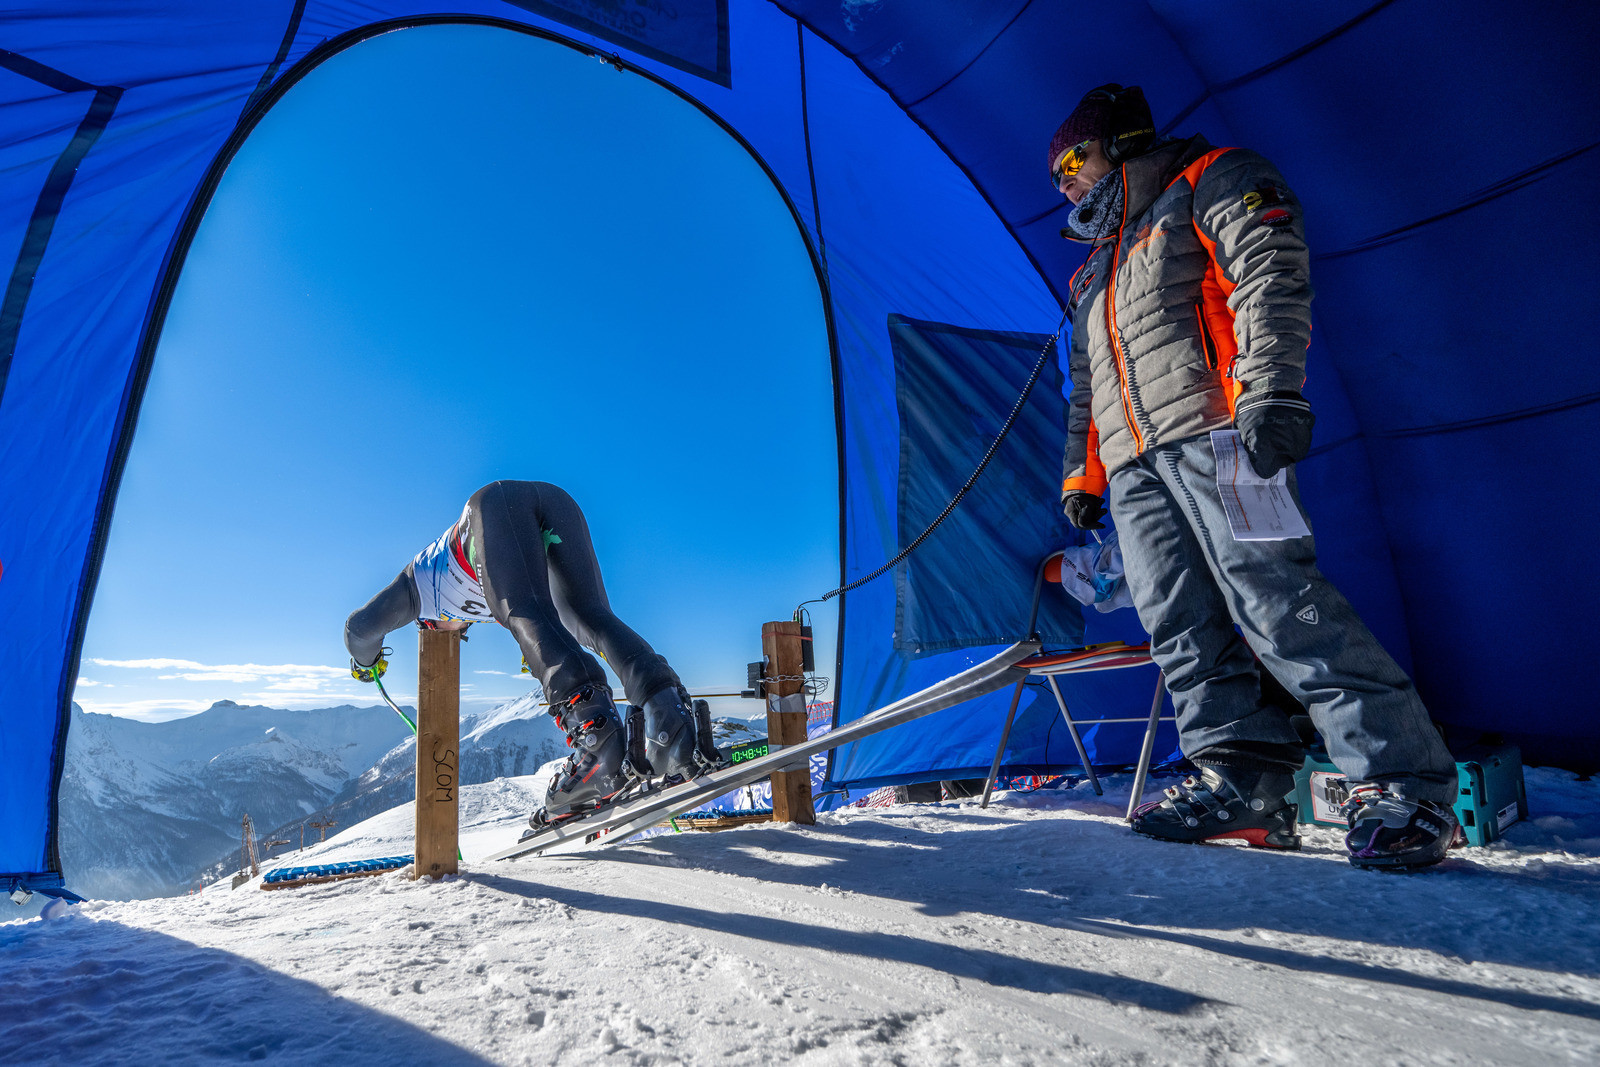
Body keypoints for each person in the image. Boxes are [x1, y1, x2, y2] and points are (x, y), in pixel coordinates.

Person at [1047, 84, 1460, 869]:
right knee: (1177, 624)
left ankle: (1403, 780)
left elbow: (1269, 271)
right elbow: (1086, 389)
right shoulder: (1091, 275)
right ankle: (1242, 779)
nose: (1064, 183)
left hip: (1221, 432)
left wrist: (1271, 387)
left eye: (1074, 159)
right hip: (1135, 465)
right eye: (1057, 173)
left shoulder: (1212, 178)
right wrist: (1084, 474)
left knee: (1278, 600)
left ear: (1123, 141)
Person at [344, 480, 717, 826]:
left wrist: (366, 663)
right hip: (558, 503)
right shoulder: (474, 590)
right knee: (589, 618)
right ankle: (668, 718)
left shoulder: (419, 591)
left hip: (490, 508)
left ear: (429, 622)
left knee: (524, 612)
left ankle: (597, 747)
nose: (458, 634)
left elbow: (359, 628)